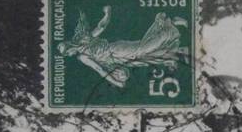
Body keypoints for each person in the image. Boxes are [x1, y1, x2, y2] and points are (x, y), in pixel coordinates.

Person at [58, 6, 189, 89]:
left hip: (114, 50)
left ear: (69, 48)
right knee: (145, 54)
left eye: (67, 53)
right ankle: (174, 46)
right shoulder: (83, 42)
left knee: (142, 49)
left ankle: (170, 25)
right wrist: (107, 14)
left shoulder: (82, 55)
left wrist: (117, 83)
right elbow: (101, 28)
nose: (69, 55)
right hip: (116, 59)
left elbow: (100, 70)